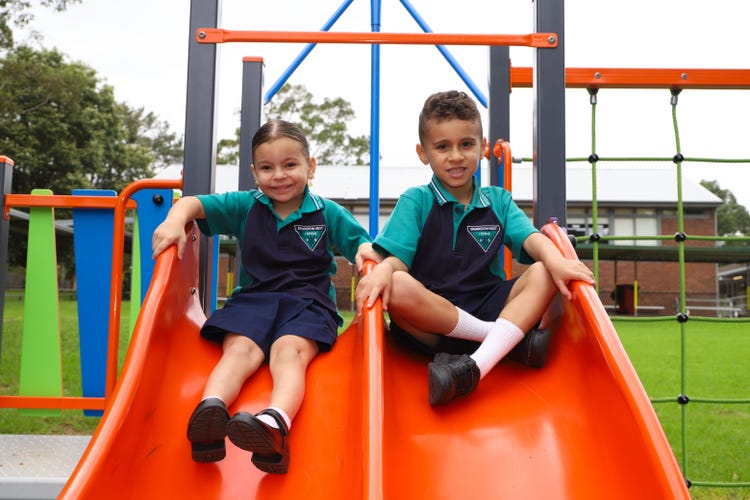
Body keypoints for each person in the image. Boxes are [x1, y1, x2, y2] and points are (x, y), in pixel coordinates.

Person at [152, 119, 379, 473]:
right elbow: (194, 204)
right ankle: (210, 411)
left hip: (308, 304)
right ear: (255, 172)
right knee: (239, 349)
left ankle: (275, 423)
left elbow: (359, 242)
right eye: (268, 168)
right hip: (255, 300)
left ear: (310, 166)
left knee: (288, 352)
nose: (279, 176)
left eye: (290, 165)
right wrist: (173, 220)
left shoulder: (325, 212)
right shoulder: (246, 206)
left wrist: (365, 251)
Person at [356, 90, 595, 406]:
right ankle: (506, 341)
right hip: (433, 322)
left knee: (544, 270)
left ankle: (475, 367)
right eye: (443, 147)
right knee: (395, 284)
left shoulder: (497, 200)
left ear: (482, 148)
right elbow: (396, 259)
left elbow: (532, 239)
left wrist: (557, 261)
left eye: (466, 145)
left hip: (488, 303)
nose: (455, 156)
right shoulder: (416, 201)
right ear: (423, 152)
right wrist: (384, 269)